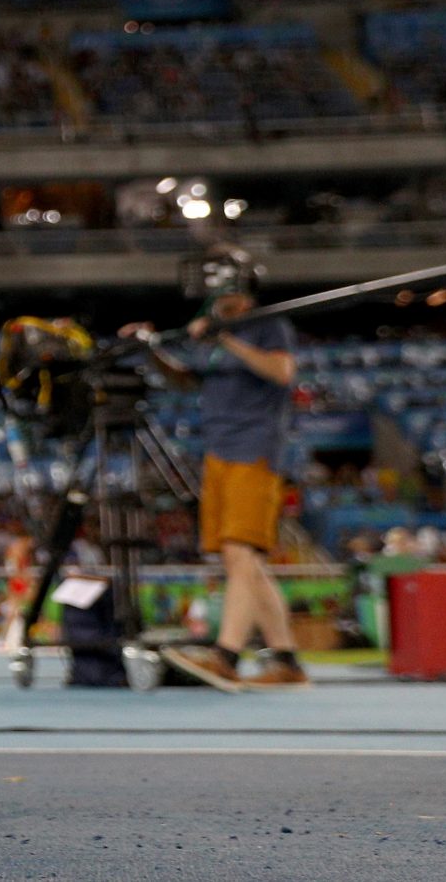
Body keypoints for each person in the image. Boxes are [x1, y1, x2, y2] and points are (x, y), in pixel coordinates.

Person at [123, 292, 307, 689]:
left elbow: (282, 371)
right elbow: (185, 380)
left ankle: (226, 656)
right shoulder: (213, 337)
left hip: (253, 451)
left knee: (240, 553)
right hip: (218, 453)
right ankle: (287, 661)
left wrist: (226, 337)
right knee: (244, 562)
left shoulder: (268, 324)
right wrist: (151, 350)